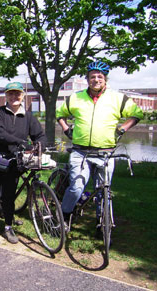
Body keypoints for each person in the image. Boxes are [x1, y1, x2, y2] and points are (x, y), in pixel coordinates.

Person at [56, 60, 143, 236]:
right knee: (76, 187)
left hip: (106, 153)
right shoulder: (76, 97)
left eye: (100, 76)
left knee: (104, 190)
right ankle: (64, 217)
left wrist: (123, 128)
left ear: (105, 79)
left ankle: (101, 223)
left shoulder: (117, 98)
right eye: (92, 76)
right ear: (87, 79)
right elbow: (60, 114)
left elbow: (137, 114)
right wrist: (66, 128)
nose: (96, 79)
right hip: (80, 152)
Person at [0, 82, 47, 244]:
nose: (14, 97)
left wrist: (39, 146)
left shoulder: (28, 116)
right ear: (6, 96)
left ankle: (8, 228)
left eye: (17, 94)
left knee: (9, 197)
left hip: (13, 163)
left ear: (22, 96)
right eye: (10, 94)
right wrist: (22, 143)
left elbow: (39, 135)